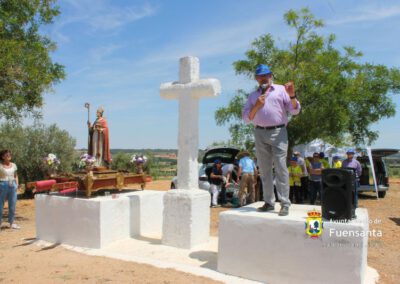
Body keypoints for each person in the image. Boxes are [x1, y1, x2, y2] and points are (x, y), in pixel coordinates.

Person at [242, 64, 300, 216]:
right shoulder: (253, 96)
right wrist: (257, 105)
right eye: (260, 76)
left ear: (271, 75)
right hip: (259, 132)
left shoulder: (281, 90)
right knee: (264, 170)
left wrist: (292, 95)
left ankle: (285, 203)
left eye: (266, 75)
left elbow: (295, 111)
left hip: (279, 131)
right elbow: (246, 118)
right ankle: (268, 202)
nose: (263, 78)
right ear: (256, 78)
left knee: (281, 167)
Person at [0, 150, 20, 230]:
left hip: (13, 185)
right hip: (2, 185)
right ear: (2, 157)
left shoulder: (14, 165)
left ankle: (11, 223)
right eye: (6, 154)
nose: (9, 155)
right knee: (0, 205)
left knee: (12, 205)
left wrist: (17, 185)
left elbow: (16, 176)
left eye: (9, 154)